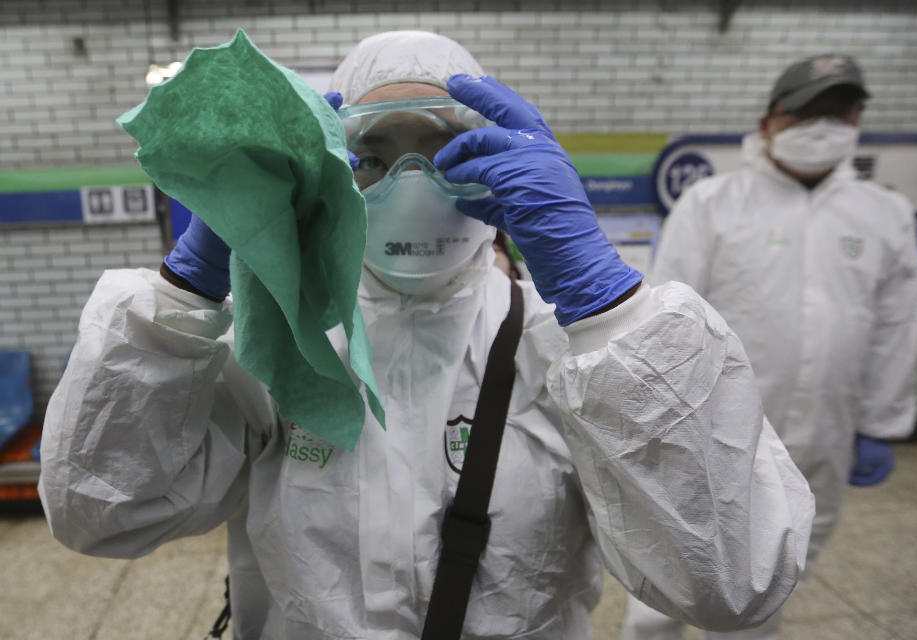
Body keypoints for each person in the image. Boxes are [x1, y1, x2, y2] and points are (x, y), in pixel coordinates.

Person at [40, 31, 814, 639]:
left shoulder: (577, 352)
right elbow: (100, 512)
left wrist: (609, 308)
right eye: (370, 157)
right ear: (325, 169)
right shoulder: (279, 344)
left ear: (504, 162)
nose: (410, 182)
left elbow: (731, 583)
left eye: (444, 152)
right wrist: (183, 295)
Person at [623, 54, 917, 640]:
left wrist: (881, 423)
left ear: (859, 119)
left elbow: (895, 324)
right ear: (769, 122)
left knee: (776, 575)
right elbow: (667, 321)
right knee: (672, 572)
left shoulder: (883, 213)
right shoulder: (713, 203)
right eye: (806, 112)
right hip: (710, 435)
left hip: (823, 430)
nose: (823, 125)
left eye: (839, 111)